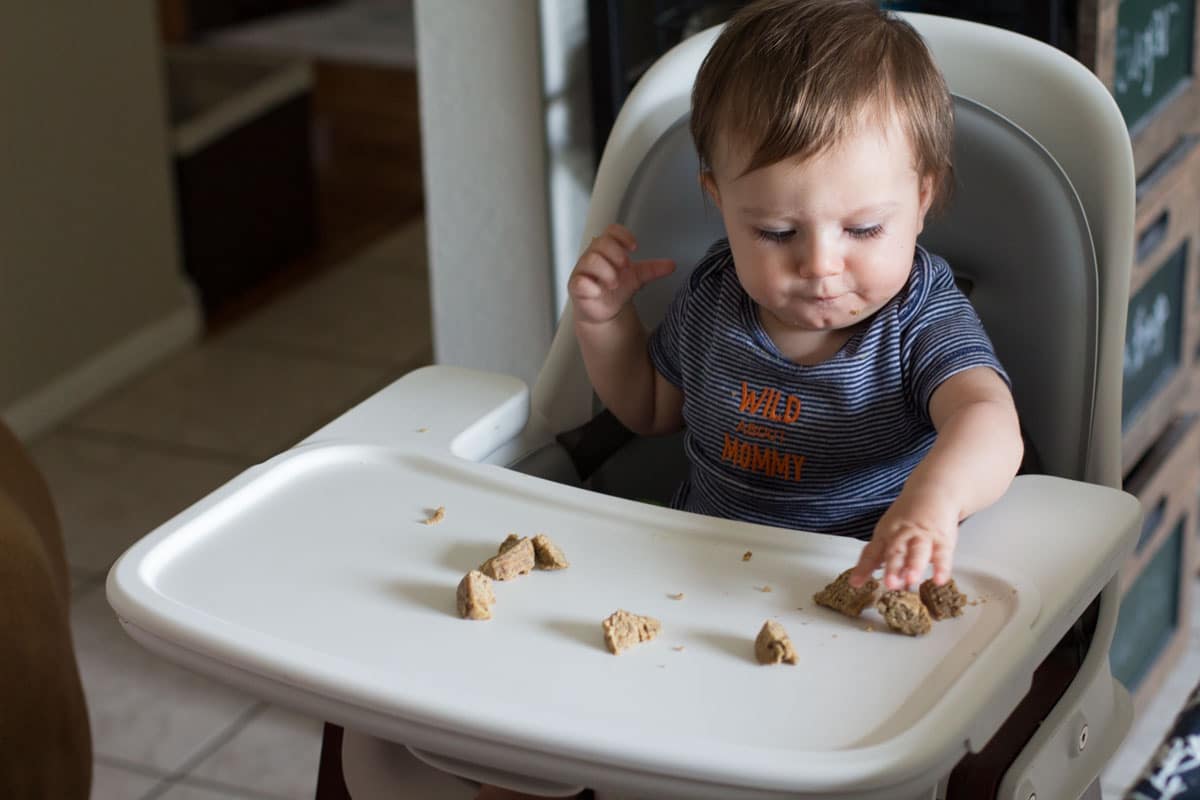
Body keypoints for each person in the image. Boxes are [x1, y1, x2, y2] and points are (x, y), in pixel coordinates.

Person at [568, 0, 1023, 595]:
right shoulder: (715, 298)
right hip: (695, 575)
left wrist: (931, 504)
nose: (820, 265)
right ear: (720, 202)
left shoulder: (918, 320)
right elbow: (652, 410)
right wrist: (605, 321)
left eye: (862, 230)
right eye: (777, 233)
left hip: (860, 582)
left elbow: (987, 420)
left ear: (921, 201)